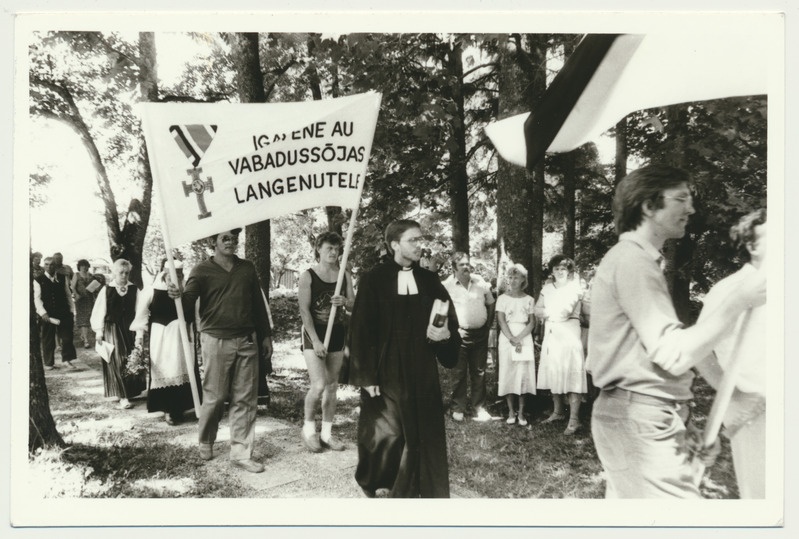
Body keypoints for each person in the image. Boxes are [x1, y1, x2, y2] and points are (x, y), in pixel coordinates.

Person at [586, 164, 766, 498]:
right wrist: (738, 301)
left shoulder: (637, 260)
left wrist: (681, 419)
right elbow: (673, 354)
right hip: (638, 421)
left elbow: (645, 360)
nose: (691, 208)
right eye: (681, 198)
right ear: (649, 206)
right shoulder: (631, 261)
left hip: (646, 417)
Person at [347, 219, 461, 498]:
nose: (420, 245)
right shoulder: (374, 279)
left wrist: (443, 336)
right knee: (388, 432)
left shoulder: (430, 281)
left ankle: (421, 486)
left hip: (421, 367)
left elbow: (450, 324)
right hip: (386, 368)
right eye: (413, 240)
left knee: (423, 430)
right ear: (395, 244)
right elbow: (361, 329)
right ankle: (383, 482)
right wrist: (366, 375)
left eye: (420, 239)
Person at [168, 228, 273, 474]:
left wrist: (266, 335)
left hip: (247, 339)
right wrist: (176, 293)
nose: (231, 241)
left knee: (245, 399)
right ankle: (206, 439)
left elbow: (258, 304)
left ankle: (241, 453)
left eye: (234, 237)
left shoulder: (247, 268)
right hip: (215, 341)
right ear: (213, 241)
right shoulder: (201, 270)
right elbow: (185, 305)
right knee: (215, 397)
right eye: (225, 237)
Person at [695, 208, 767, 498]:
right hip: (754, 411)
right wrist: (736, 396)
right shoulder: (729, 290)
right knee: (764, 497)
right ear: (752, 245)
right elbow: (699, 350)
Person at [297, 231, 355, 452]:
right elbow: (304, 311)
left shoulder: (344, 274)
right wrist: (316, 340)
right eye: (329, 248)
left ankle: (327, 434)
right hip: (314, 334)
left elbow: (353, 304)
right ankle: (309, 430)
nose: (333, 252)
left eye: (336, 248)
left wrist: (345, 301)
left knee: (332, 386)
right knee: (319, 384)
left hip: (337, 333)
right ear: (318, 249)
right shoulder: (308, 276)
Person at [131, 260, 201, 426]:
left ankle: (185, 407)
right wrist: (139, 339)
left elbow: (197, 316)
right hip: (162, 339)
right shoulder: (151, 291)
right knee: (167, 371)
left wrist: (200, 336)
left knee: (185, 369)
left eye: (179, 273)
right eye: (172, 274)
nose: (176, 277)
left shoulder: (190, 291)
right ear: (163, 273)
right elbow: (140, 318)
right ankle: (169, 409)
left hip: (184, 337)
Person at [535, 255, 587, 435]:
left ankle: (574, 419)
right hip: (551, 333)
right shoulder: (547, 288)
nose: (559, 271)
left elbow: (564, 313)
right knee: (553, 370)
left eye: (563, 268)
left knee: (572, 373)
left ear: (569, 271)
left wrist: (547, 313)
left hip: (569, 333)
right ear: (552, 271)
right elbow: (536, 309)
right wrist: (548, 313)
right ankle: (557, 412)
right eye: (556, 268)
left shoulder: (574, 288)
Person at [443, 252, 496, 422]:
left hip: (480, 334)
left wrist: (487, 324)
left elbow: (491, 303)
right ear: (453, 268)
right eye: (461, 265)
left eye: (467, 264)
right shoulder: (447, 285)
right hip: (458, 334)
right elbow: (441, 310)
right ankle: (457, 407)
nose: (466, 267)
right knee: (458, 372)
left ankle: (479, 408)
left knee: (479, 372)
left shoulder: (480, 281)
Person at [90, 259, 145, 409]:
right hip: (112, 328)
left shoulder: (135, 289)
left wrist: (139, 335)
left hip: (130, 328)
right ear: (114, 273)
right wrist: (99, 332)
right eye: (121, 272)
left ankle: (129, 391)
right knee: (118, 359)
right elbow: (99, 311)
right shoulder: (107, 290)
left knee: (131, 359)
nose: (124, 275)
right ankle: (123, 397)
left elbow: (141, 313)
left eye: (127, 273)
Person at [495, 263, 537, 426]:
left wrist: (519, 338)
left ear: (523, 280)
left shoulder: (529, 299)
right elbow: (501, 320)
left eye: (516, 277)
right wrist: (512, 338)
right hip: (507, 337)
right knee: (508, 371)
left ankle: (521, 412)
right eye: (510, 277)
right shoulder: (502, 299)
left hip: (524, 336)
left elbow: (532, 322)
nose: (512, 281)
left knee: (522, 373)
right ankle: (510, 411)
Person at [33, 256, 77, 370]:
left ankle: (67, 360)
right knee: (48, 338)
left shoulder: (63, 278)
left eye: (51, 264)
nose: (49, 267)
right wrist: (43, 313)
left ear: (55, 266)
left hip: (63, 312)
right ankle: (48, 363)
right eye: (46, 264)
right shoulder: (38, 280)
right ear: (44, 266)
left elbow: (68, 294)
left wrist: (72, 310)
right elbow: (36, 299)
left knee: (67, 337)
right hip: (48, 313)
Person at [72, 259, 98, 349]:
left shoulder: (91, 276)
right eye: (82, 265)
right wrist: (76, 294)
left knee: (88, 318)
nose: (84, 267)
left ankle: (83, 336)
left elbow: (95, 288)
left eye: (86, 265)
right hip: (80, 300)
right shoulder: (77, 275)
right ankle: (86, 340)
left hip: (89, 299)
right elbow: (73, 287)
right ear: (79, 266)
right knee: (83, 319)